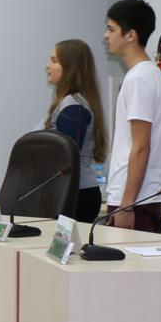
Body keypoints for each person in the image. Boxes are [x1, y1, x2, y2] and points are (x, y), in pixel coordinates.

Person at [102, 0, 161, 231]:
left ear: (130, 35)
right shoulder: (150, 74)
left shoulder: (139, 79)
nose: (106, 35)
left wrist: (126, 205)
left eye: (111, 29)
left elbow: (141, 147)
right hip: (141, 197)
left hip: (136, 200)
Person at [43, 39, 109, 223]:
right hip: (74, 193)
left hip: (74, 195)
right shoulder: (71, 102)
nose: (47, 65)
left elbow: (65, 160)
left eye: (54, 60)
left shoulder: (73, 106)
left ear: (69, 68)